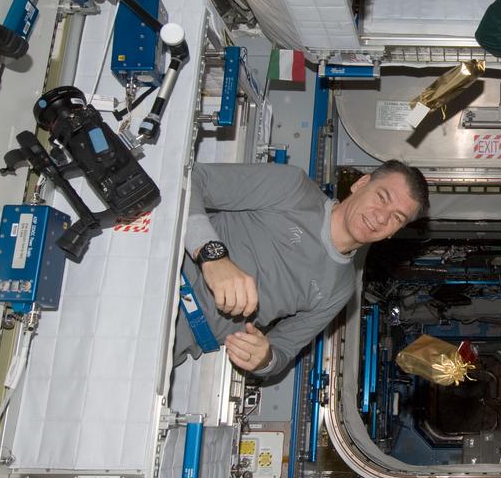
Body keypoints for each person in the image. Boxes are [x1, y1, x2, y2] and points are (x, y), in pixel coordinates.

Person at [179, 160, 429, 378]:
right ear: (361, 184)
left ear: (394, 232)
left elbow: (283, 351)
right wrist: (213, 257)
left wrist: (264, 358)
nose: (381, 217)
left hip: (183, 342)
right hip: (168, 277)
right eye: (382, 197)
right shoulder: (292, 188)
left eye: (397, 218)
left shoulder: (340, 289)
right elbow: (192, 178)